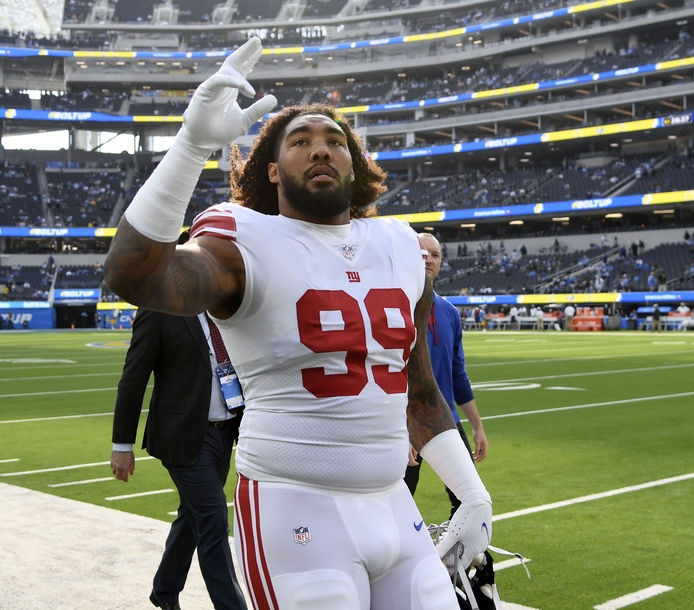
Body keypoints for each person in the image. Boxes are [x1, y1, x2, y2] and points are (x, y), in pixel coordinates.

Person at [104, 38, 491, 610]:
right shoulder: (244, 241)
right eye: (301, 140)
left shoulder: (400, 246)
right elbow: (135, 275)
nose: (320, 149)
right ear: (272, 170)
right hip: (295, 506)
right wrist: (190, 146)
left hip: (392, 504)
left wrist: (471, 493)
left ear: (355, 165)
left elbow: (418, 387)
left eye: (335, 140)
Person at [110, 306, 247, 610]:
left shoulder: (223, 308)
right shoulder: (157, 310)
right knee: (212, 519)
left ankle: (165, 589)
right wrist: (122, 444)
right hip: (182, 434)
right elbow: (133, 376)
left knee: (192, 514)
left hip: (224, 432)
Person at [404, 233, 489, 519]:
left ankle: (464, 562)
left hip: (445, 419)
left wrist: (476, 425)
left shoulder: (450, 312)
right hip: (403, 423)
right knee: (397, 504)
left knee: (470, 501)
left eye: (436, 254)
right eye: (422, 252)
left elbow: (457, 374)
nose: (429, 259)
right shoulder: (392, 308)